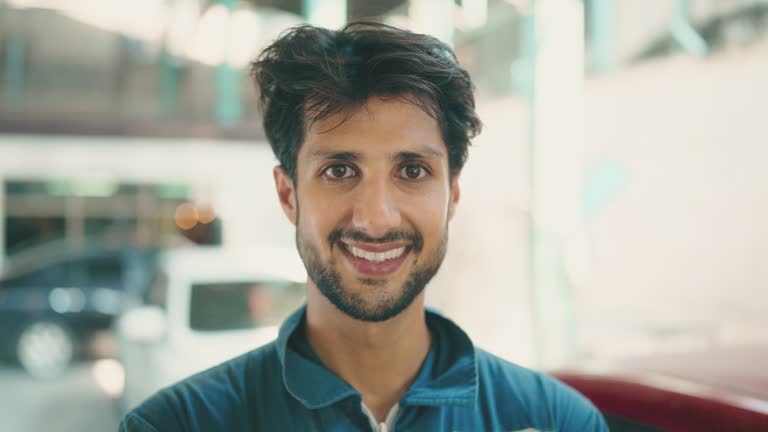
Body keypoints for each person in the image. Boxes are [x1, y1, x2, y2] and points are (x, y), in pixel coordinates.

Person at [120, 22, 608, 431]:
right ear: (288, 195)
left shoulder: (557, 421)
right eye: (339, 170)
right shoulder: (176, 425)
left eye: (412, 171)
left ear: (452, 195)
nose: (376, 218)